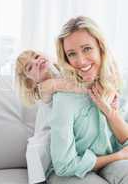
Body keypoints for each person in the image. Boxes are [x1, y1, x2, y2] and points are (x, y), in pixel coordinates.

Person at [48, 16, 128, 184]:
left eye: (87, 49)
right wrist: (117, 156)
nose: (81, 61)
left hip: (110, 162)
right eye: (72, 54)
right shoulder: (64, 98)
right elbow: (64, 166)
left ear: (100, 46)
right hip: (70, 171)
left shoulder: (116, 83)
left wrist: (109, 112)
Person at [15, 50, 86, 184]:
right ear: (31, 82)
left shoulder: (63, 72)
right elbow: (79, 87)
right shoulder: (44, 87)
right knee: (35, 150)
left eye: (36, 57)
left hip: (68, 128)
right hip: (49, 134)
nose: (36, 62)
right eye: (30, 67)